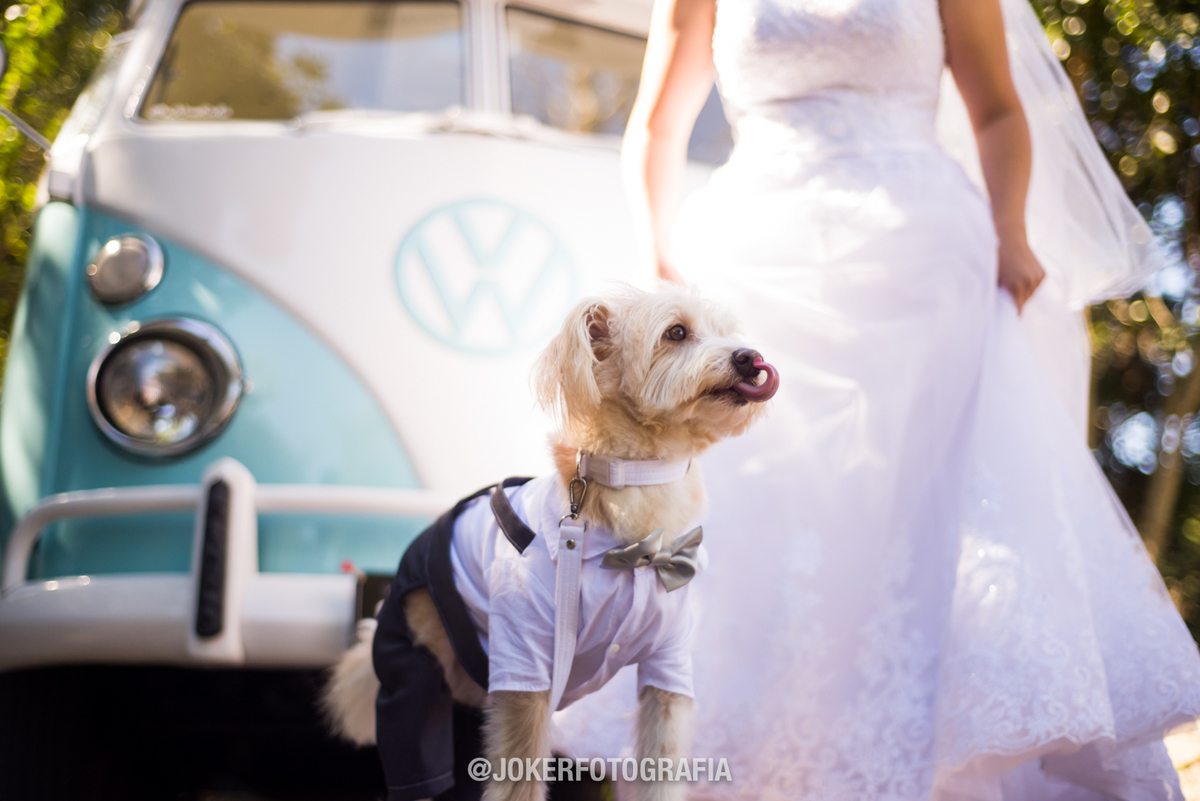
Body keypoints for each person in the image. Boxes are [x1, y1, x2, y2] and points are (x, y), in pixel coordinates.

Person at [587, 0, 1200, 797]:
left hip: (922, 261)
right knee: (755, 511)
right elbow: (657, 124)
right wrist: (656, 265)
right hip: (750, 260)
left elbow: (1000, 110)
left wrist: (1011, 233)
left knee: (922, 516)